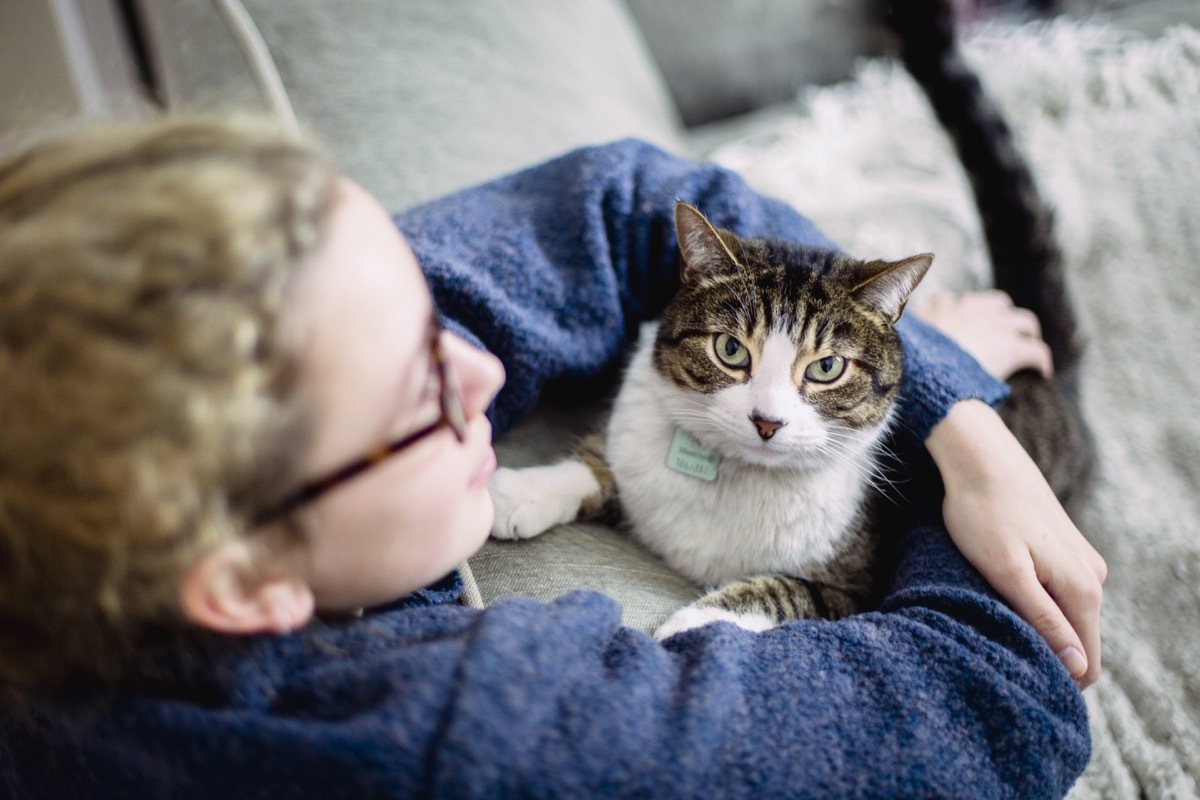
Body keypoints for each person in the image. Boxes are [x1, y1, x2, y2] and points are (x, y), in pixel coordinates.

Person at [0, 117, 1104, 799]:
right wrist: (940, 416)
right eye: (419, 391)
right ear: (241, 579)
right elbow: (1004, 703)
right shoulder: (468, 740)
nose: (478, 370)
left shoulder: (248, 350)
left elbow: (620, 193)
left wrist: (955, 413)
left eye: (429, 318)